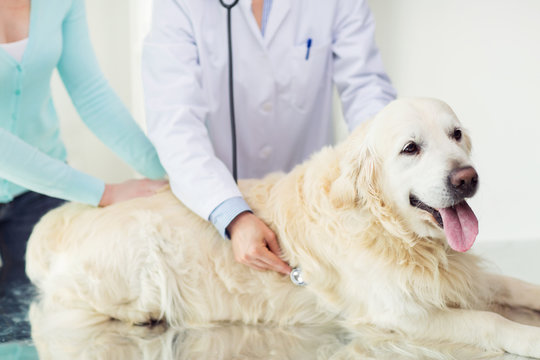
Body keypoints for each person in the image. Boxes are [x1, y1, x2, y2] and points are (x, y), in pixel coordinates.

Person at [142, 0, 397, 275]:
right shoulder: (179, 5)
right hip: (216, 204)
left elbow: (366, 89)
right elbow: (174, 122)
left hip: (308, 206)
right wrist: (231, 213)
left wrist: (380, 172)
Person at [0, 0, 167, 284]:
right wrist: (104, 192)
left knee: (44, 309)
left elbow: (92, 95)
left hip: (39, 193)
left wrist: (167, 176)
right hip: (54, 179)